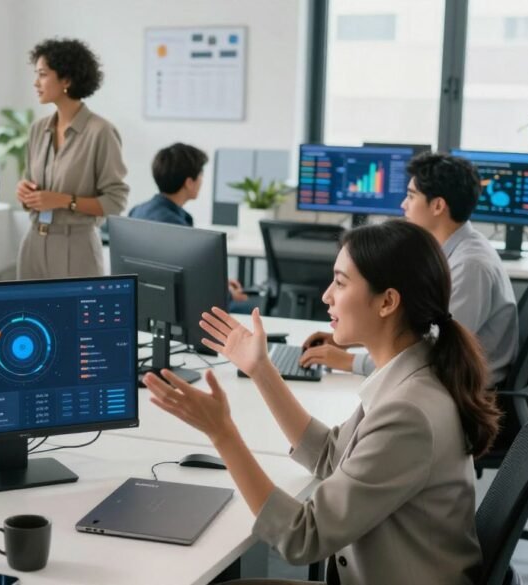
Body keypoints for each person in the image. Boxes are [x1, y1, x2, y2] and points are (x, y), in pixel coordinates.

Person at [144, 221, 500, 585]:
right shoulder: (409, 375)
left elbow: (302, 538)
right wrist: (261, 370)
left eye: (341, 283)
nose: (327, 295)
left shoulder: (408, 413)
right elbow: (331, 456)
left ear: (388, 302)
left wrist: (223, 434)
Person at [300, 152, 517, 387]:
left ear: (437, 205)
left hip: (461, 389)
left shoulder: (470, 266)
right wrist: (348, 340)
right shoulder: (448, 252)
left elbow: (432, 353)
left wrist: (350, 361)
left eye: (411, 196)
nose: (403, 204)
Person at [16, 38, 129, 279]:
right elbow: (30, 183)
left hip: (76, 246)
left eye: (43, 74)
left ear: (66, 80)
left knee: (74, 317)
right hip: (34, 242)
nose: (36, 83)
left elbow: (115, 201)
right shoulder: (38, 129)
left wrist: (61, 200)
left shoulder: (101, 132)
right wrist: (26, 193)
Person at [128, 142, 251, 310]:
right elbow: (191, 282)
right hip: (179, 308)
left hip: (148, 303)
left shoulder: (139, 210)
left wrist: (220, 284)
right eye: (200, 175)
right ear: (189, 182)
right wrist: (228, 294)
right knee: (251, 306)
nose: (202, 180)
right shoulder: (176, 227)